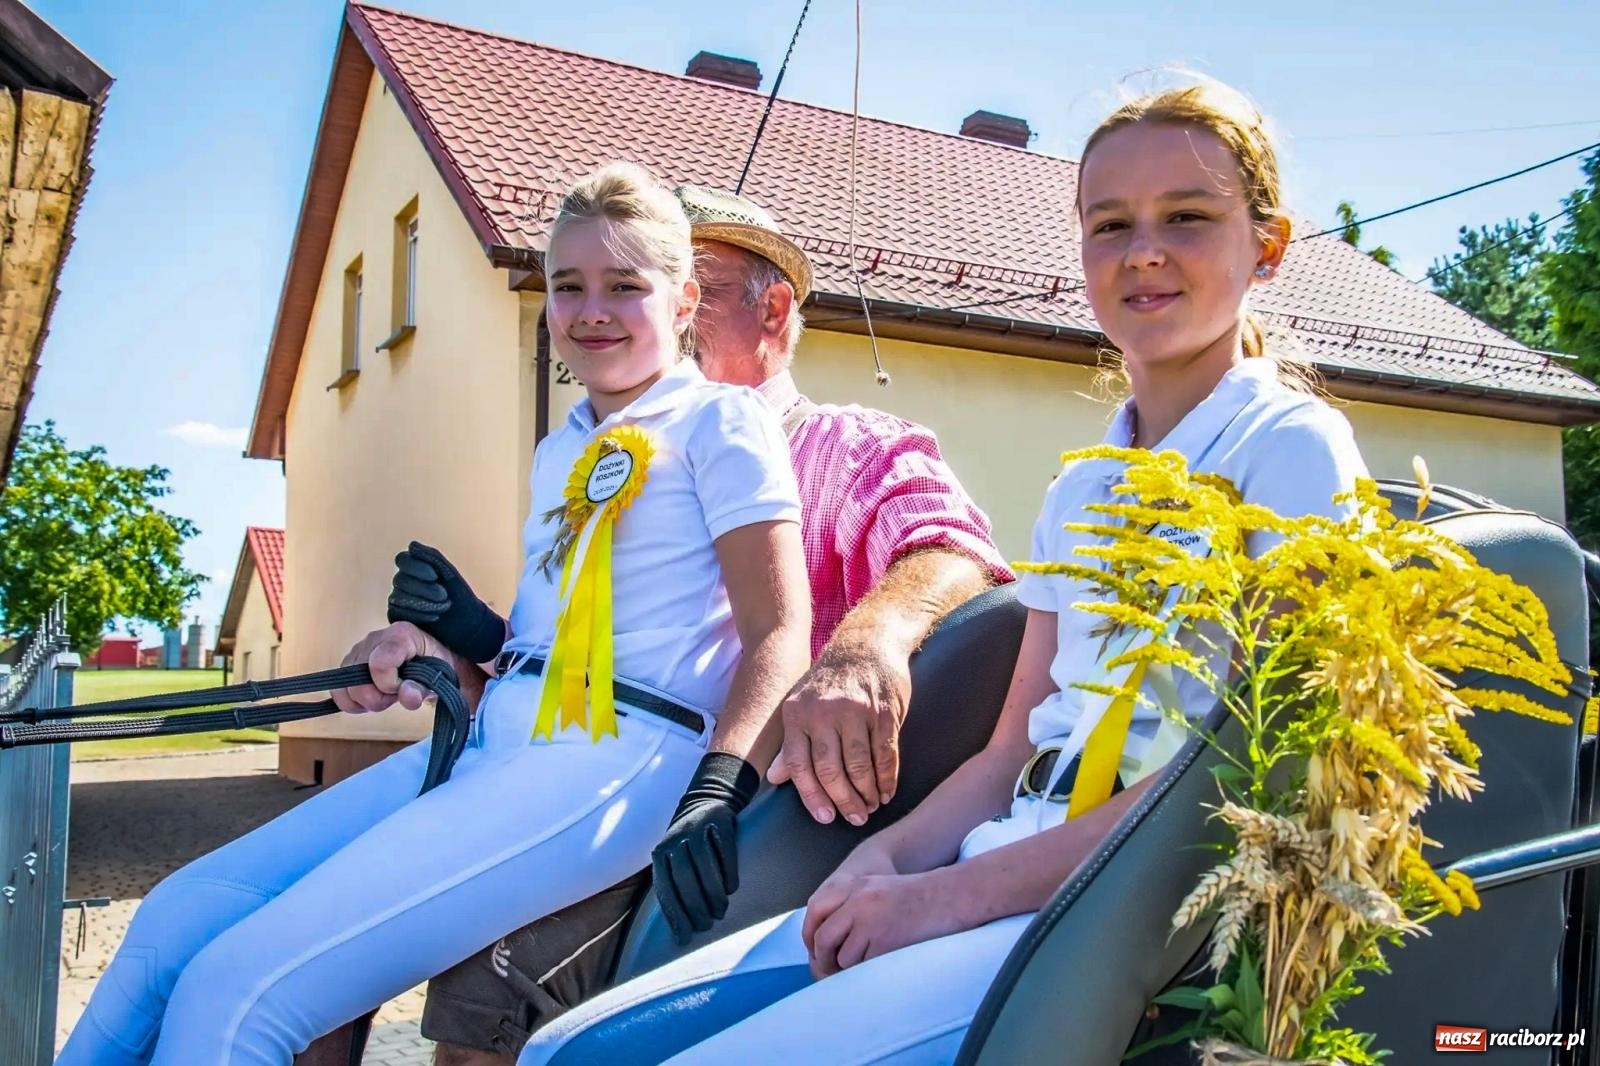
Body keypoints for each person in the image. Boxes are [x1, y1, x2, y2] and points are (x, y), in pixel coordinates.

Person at [516, 79, 1371, 1066]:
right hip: (1003, 871)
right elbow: (1007, 757)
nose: (1143, 250)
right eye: (1109, 224)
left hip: (1130, 919)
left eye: (1186, 217)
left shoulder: (1291, 449)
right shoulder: (1085, 488)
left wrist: (936, 900)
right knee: (567, 1051)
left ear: (1266, 245)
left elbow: (1251, 782)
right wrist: (881, 862)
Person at [57, 162, 812, 1066]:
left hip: (620, 759)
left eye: (625, 285)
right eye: (568, 286)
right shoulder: (563, 447)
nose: (591, 310)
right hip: (495, 740)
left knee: (240, 994)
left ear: (685, 299)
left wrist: (718, 785)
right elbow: (548, 643)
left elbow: (779, 631)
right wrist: (436, 640)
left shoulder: (723, 423)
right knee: (179, 914)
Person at [411, 186, 1013, 1064]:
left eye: (677, 283)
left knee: (485, 980)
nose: (640, 309)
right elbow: (608, 666)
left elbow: (955, 553)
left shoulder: (852, 444)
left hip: (759, 822)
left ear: (771, 309)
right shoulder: (602, 456)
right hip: (591, 781)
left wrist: (865, 642)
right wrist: (469, 638)